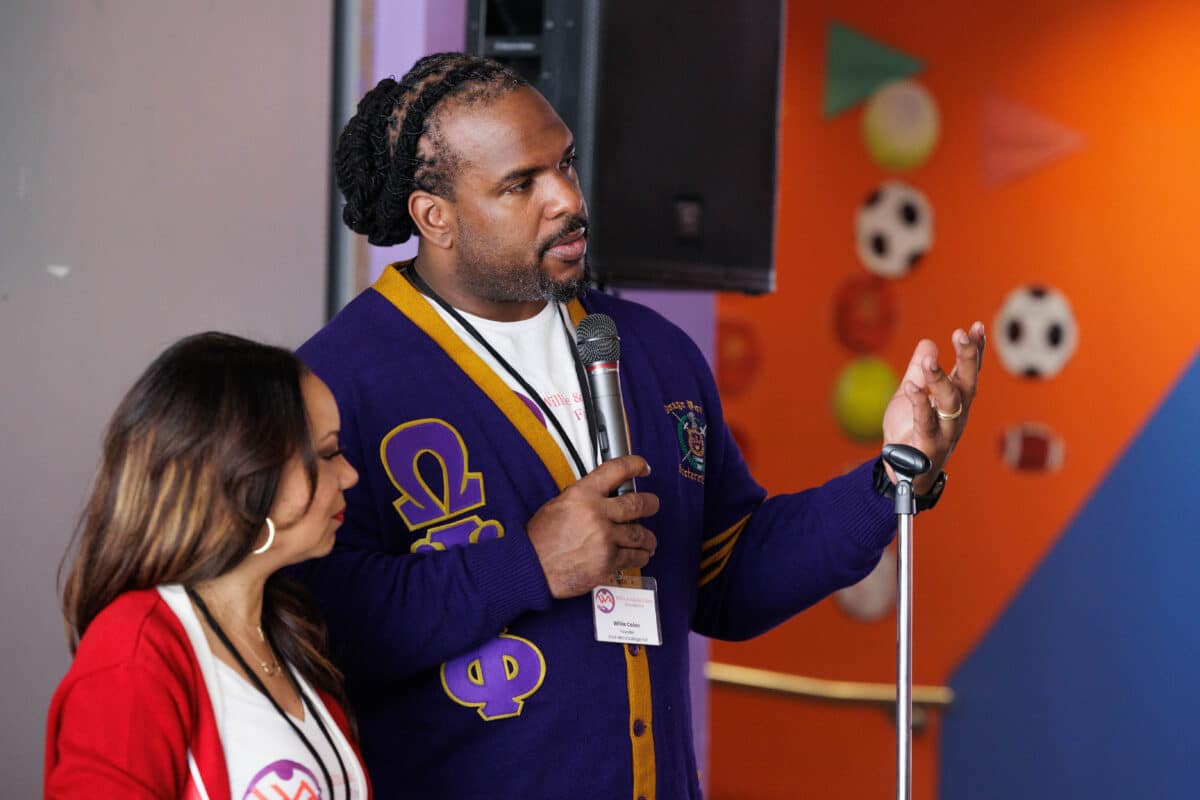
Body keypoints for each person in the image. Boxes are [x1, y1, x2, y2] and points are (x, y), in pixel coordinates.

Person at [296, 53, 984, 799]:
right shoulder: (333, 383)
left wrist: (893, 477)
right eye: (521, 184)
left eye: (566, 163)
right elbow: (318, 627)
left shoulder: (654, 352)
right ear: (436, 217)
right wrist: (528, 564)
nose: (566, 198)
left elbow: (727, 577)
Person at [45, 333, 372, 800]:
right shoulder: (134, 648)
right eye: (325, 453)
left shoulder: (289, 634)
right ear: (243, 475)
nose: (349, 473)